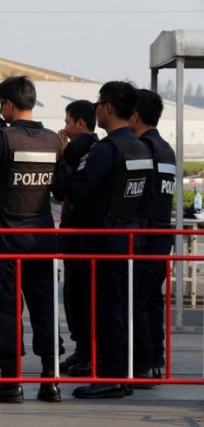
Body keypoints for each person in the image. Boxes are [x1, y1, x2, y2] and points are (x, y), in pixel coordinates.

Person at [0, 76, 63, 403]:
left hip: (6, 238)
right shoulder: (54, 141)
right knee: (45, 307)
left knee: (4, 307)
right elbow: (61, 190)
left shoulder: (2, 139)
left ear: (8, 104)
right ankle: (50, 381)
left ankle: (10, 382)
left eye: (1, 103)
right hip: (42, 237)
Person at [69, 81, 153, 399]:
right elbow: (145, 199)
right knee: (122, 307)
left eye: (98, 104)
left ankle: (111, 376)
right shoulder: (140, 147)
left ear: (107, 107)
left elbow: (79, 191)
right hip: (129, 236)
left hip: (103, 239)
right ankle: (124, 372)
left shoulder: (106, 149)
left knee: (106, 308)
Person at [128, 89, 176, 383]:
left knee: (137, 300)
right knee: (151, 301)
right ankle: (156, 357)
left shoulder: (143, 148)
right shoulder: (166, 147)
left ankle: (143, 363)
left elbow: (138, 195)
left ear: (134, 115)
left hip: (145, 235)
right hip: (161, 234)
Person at [51, 100, 99, 377]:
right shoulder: (92, 149)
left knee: (82, 297)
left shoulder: (83, 150)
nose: (65, 128)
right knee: (75, 296)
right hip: (77, 234)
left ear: (81, 123)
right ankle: (82, 350)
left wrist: (61, 157)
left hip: (83, 234)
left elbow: (61, 189)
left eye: (68, 122)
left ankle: (89, 354)